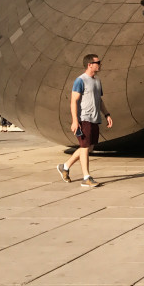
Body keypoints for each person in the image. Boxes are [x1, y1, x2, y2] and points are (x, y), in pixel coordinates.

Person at [57, 54, 113, 188]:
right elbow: (73, 101)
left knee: (89, 147)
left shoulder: (97, 81)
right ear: (90, 64)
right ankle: (86, 177)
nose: (100, 64)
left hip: (94, 119)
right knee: (84, 147)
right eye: (98, 62)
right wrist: (75, 121)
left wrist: (107, 114)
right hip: (84, 118)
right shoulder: (80, 80)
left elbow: (99, 100)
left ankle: (65, 166)